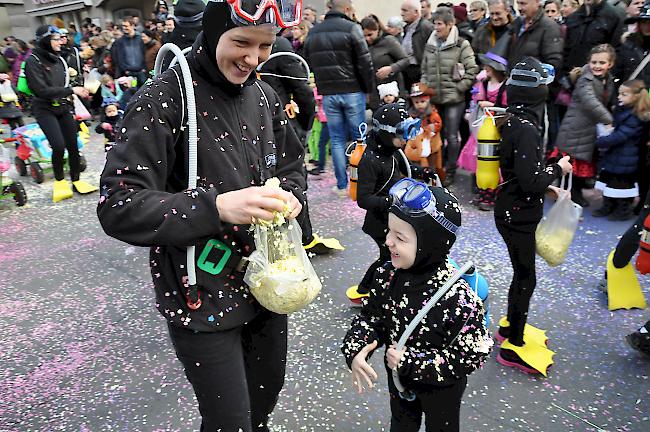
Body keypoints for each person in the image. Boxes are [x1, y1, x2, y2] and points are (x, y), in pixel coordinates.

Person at [97, 1, 306, 430]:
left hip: (265, 285)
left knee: (264, 402)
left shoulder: (265, 95)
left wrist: (292, 196)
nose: (253, 59)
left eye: (265, 46)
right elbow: (118, 205)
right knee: (229, 420)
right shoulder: (164, 97)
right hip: (199, 295)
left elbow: (290, 165)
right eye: (242, 43)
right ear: (211, 34)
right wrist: (217, 207)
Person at [342, 178, 492, 432]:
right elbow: (372, 317)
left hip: (441, 389)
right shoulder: (386, 275)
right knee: (401, 425)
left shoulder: (458, 297)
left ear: (430, 244)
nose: (388, 241)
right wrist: (356, 347)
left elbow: (472, 354)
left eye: (400, 237)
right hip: (399, 382)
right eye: (389, 231)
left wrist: (412, 363)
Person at [494, 57, 573, 374]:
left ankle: (510, 325)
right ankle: (513, 343)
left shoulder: (515, 120)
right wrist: (558, 169)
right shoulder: (525, 128)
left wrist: (548, 187)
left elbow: (520, 173)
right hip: (518, 215)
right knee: (526, 277)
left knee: (520, 272)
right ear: (535, 92)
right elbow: (529, 180)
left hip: (512, 208)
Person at [304, 0, 375, 196]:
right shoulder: (352, 28)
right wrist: (368, 89)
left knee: (336, 140)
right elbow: (365, 61)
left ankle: (342, 185)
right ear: (346, 9)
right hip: (352, 90)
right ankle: (362, 183)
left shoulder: (315, 31)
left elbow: (308, 59)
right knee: (359, 139)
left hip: (329, 92)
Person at [348, 104, 414, 301]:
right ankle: (364, 290)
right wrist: (391, 201)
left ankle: (382, 288)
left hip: (391, 218)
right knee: (388, 257)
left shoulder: (392, 150)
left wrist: (422, 173)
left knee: (391, 257)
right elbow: (363, 199)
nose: (405, 141)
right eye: (401, 135)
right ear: (385, 134)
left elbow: (406, 168)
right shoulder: (370, 160)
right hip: (379, 222)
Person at [25, 25, 96, 203]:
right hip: (44, 109)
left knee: (73, 145)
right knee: (58, 146)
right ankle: (60, 181)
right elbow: (41, 90)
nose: (60, 41)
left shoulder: (59, 59)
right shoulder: (33, 61)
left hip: (63, 106)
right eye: (56, 39)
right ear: (45, 41)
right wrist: (72, 89)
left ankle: (77, 180)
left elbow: (65, 82)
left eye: (60, 38)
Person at [421, 8, 479, 186]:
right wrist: (424, 89)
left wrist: (459, 89)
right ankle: (436, 168)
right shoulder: (430, 45)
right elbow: (424, 70)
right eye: (434, 23)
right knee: (434, 134)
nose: (436, 28)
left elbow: (472, 70)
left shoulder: (461, 44)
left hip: (454, 100)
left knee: (452, 136)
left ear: (450, 25)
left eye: (439, 24)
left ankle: (450, 170)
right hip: (435, 100)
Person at [555, 44, 616, 207]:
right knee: (573, 164)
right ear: (588, 62)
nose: (597, 66)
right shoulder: (585, 79)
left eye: (602, 63)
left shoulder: (608, 79)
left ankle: (574, 191)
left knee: (582, 163)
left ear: (610, 64)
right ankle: (572, 193)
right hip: (576, 127)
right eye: (594, 62)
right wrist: (608, 119)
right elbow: (591, 102)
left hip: (588, 128)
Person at [457, 35, 508, 211]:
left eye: (488, 65)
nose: (485, 67)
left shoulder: (504, 86)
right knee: (481, 159)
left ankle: (491, 193)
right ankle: (482, 189)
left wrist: (492, 105)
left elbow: (506, 107)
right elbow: (475, 99)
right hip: (481, 126)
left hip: (495, 128)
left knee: (492, 161)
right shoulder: (484, 84)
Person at [593, 79, 650, 220]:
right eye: (619, 94)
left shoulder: (635, 117)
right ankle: (609, 205)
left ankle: (623, 209)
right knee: (610, 181)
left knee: (621, 186)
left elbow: (621, 135)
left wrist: (602, 141)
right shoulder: (625, 111)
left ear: (636, 97)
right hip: (618, 154)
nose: (619, 97)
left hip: (626, 156)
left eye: (624, 94)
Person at [562, 0, 625, 79]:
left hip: (599, 77)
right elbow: (567, 49)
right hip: (573, 76)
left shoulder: (613, 17)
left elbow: (617, 52)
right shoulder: (573, 17)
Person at [361, 14, 409, 108]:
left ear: (378, 30)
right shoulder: (362, 45)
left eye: (370, 35)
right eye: (364, 36)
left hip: (392, 92)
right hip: (375, 95)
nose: (367, 38)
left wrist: (391, 68)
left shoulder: (389, 41)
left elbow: (405, 60)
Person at [400, 0, 435, 92]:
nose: (402, 14)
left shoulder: (426, 27)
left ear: (416, 12)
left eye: (405, 10)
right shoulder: (407, 27)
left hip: (418, 71)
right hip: (406, 70)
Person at [112, 19, 146, 85]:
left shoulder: (141, 39)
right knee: (133, 92)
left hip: (142, 71)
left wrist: (144, 67)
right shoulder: (120, 41)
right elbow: (119, 57)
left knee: (145, 91)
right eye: (123, 26)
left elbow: (145, 53)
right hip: (129, 72)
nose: (124, 28)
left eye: (126, 26)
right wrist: (125, 69)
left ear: (132, 26)